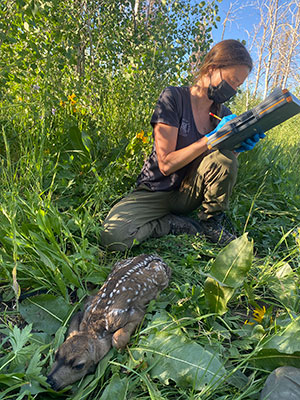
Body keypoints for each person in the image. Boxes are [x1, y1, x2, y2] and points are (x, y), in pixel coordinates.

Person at [101, 39, 265, 252]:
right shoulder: (174, 98)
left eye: (238, 86)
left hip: (189, 193)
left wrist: (236, 148)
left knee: (225, 156)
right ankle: (172, 224)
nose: (234, 89)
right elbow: (166, 164)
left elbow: (219, 166)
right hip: (155, 190)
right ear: (213, 68)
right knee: (113, 236)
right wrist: (210, 139)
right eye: (233, 81)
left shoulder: (223, 114)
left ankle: (210, 223)